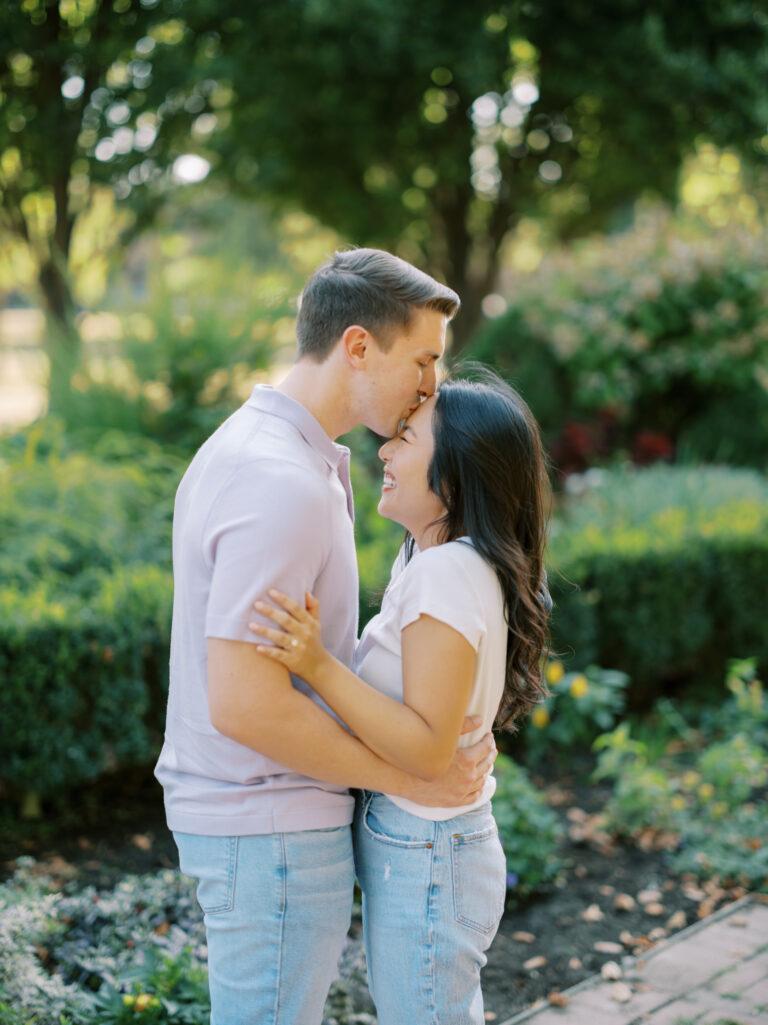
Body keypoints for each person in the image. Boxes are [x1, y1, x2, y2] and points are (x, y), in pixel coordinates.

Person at [154, 249, 498, 1025]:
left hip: (266, 824)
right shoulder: (279, 480)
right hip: (269, 822)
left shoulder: (269, 454)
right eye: (423, 358)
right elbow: (247, 706)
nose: (432, 385)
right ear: (357, 346)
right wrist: (409, 776)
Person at [248, 369, 552, 1025]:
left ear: (456, 470)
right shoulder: (429, 556)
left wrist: (316, 664)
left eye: (407, 437)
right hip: (424, 849)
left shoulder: (446, 571)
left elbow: (424, 745)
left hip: (429, 855)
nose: (383, 449)